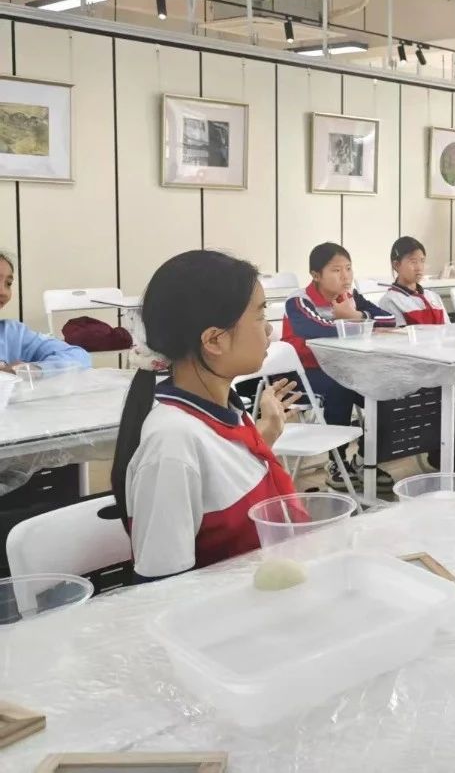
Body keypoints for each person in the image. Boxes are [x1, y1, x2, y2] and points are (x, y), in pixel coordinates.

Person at [112, 250, 300, 581]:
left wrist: (264, 437)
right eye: (260, 316)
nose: (269, 331)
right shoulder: (172, 443)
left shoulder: (225, 407)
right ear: (214, 340)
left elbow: (222, 488)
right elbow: (163, 590)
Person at [282, 243, 395, 489]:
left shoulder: (350, 296)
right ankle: (337, 462)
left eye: (348, 268)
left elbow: (390, 319)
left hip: (343, 368)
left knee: (384, 390)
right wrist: (354, 322)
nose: (345, 276)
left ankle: (366, 460)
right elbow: (316, 330)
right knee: (340, 387)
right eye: (336, 270)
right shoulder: (299, 301)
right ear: (316, 275)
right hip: (302, 374)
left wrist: (355, 316)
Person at [0, 252, 91, 371]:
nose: (3, 292)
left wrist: (34, 370)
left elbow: (79, 357)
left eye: (8, 284)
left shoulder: (13, 334)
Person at [379, 236, 448, 326]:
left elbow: (449, 330)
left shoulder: (433, 296)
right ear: (396, 265)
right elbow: (400, 334)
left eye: (422, 261)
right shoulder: (390, 301)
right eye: (413, 262)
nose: (419, 268)